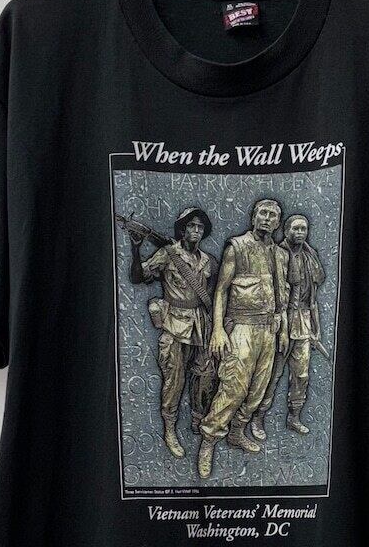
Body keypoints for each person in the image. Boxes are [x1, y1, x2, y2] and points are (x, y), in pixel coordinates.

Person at [197, 198, 289, 479]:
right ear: (253, 217)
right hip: (242, 328)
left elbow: (282, 297)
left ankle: (237, 431)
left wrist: (283, 329)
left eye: (273, 215)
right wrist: (218, 330)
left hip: (269, 330)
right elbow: (221, 290)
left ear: (278, 222)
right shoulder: (236, 247)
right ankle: (209, 440)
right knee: (233, 388)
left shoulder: (280, 255)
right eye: (263, 213)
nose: (267, 218)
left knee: (258, 390)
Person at [128, 207, 217, 458]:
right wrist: (135, 249)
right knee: (174, 381)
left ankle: (198, 419)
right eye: (191, 226)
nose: (196, 231)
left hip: (201, 325)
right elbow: (137, 277)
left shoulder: (208, 261)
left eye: (200, 227)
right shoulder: (167, 254)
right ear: (182, 229)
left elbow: (214, 291)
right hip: (175, 326)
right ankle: (169, 429)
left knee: (204, 377)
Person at [253, 212, 326, 438]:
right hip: (282, 322)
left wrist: (316, 328)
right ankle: (258, 417)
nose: (300, 232)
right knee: (272, 374)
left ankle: (294, 416)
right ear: (286, 231)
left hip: (303, 321)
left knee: (301, 374)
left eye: (304, 229)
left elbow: (313, 295)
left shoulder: (310, 256)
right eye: (296, 228)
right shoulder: (277, 254)